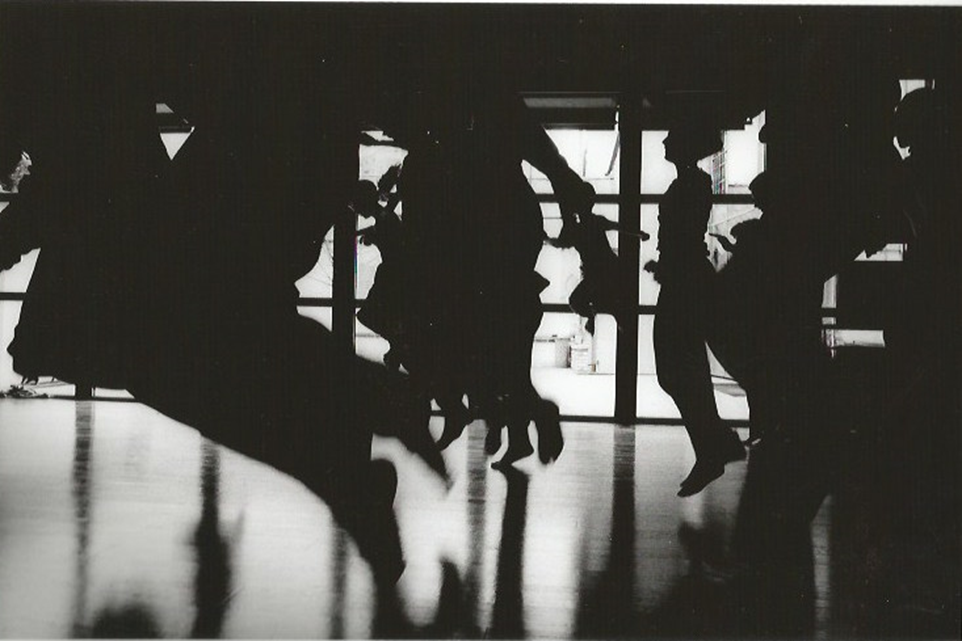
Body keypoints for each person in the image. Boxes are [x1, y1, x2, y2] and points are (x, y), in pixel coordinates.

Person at [647, 126, 744, 497]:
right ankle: (714, 442)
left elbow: (682, 235)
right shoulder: (693, 183)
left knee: (677, 368)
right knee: (681, 368)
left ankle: (713, 446)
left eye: (671, 138)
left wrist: (668, 265)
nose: (665, 142)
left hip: (683, 281)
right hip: (683, 278)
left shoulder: (691, 184)